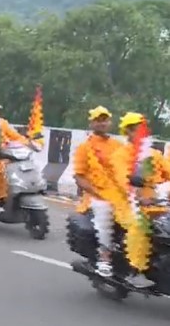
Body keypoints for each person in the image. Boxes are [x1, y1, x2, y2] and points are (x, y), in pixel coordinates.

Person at [109, 112, 170, 287]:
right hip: (129, 205)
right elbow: (122, 180)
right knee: (140, 226)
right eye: (137, 130)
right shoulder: (120, 155)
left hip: (157, 204)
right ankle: (135, 270)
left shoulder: (154, 155)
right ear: (127, 132)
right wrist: (136, 196)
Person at [73, 106, 125, 278]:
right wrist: (96, 192)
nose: (102, 123)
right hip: (96, 194)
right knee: (104, 215)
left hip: (119, 193)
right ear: (92, 123)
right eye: (98, 120)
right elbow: (79, 177)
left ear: (110, 122)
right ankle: (104, 258)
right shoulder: (84, 147)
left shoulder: (118, 145)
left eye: (105, 120)